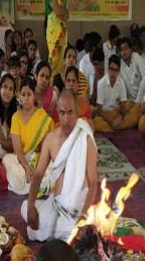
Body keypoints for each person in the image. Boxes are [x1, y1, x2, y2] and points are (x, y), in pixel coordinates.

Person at [23, 91, 98, 241]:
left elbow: (93, 182)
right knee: (24, 207)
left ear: (76, 111)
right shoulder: (51, 139)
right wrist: (31, 205)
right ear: (57, 112)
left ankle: (68, 233)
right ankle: (63, 233)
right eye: (62, 113)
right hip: (57, 205)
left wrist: (83, 217)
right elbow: (37, 174)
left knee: (77, 233)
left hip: (78, 209)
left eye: (70, 112)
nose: (66, 118)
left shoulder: (85, 138)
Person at [3, 77, 54, 195]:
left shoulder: (42, 116)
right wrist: (26, 167)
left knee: (54, 165)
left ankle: (32, 182)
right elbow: (17, 148)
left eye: (29, 94)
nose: (26, 98)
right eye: (23, 95)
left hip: (39, 158)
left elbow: (45, 148)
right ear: (19, 96)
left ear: (34, 95)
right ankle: (36, 184)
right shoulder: (15, 117)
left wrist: (37, 164)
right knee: (8, 160)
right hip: (22, 160)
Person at [94, 55, 140, 131]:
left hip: (117, 113)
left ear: (119, 71)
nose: (113, 73)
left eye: (116, 70)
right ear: (108, 69)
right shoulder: (102, 83)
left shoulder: (121, 82)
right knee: (97, 122)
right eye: (111, 69)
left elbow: (123, 107)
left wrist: (120, 116)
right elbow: (99, 110)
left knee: (135, 109)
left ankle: (117, 126)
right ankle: (118, 127)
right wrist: (112, 122)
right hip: (105, 115)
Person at [45, 0, 69, 83]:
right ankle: (49, 93)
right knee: (53, 62)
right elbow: (59, 12)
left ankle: (58, 90)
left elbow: (66, 15)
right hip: (54, 33)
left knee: (61, 63)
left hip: (62, 32)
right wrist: (62, 12)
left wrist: (63, 12)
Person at [119, 36, 145, 101]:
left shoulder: (136, 57)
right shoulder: (120, 64)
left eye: (126, 49)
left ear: (131, 49)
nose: (123, 52)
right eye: (121, 50)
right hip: (130, 101)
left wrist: (140, 100)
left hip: (143, 98)